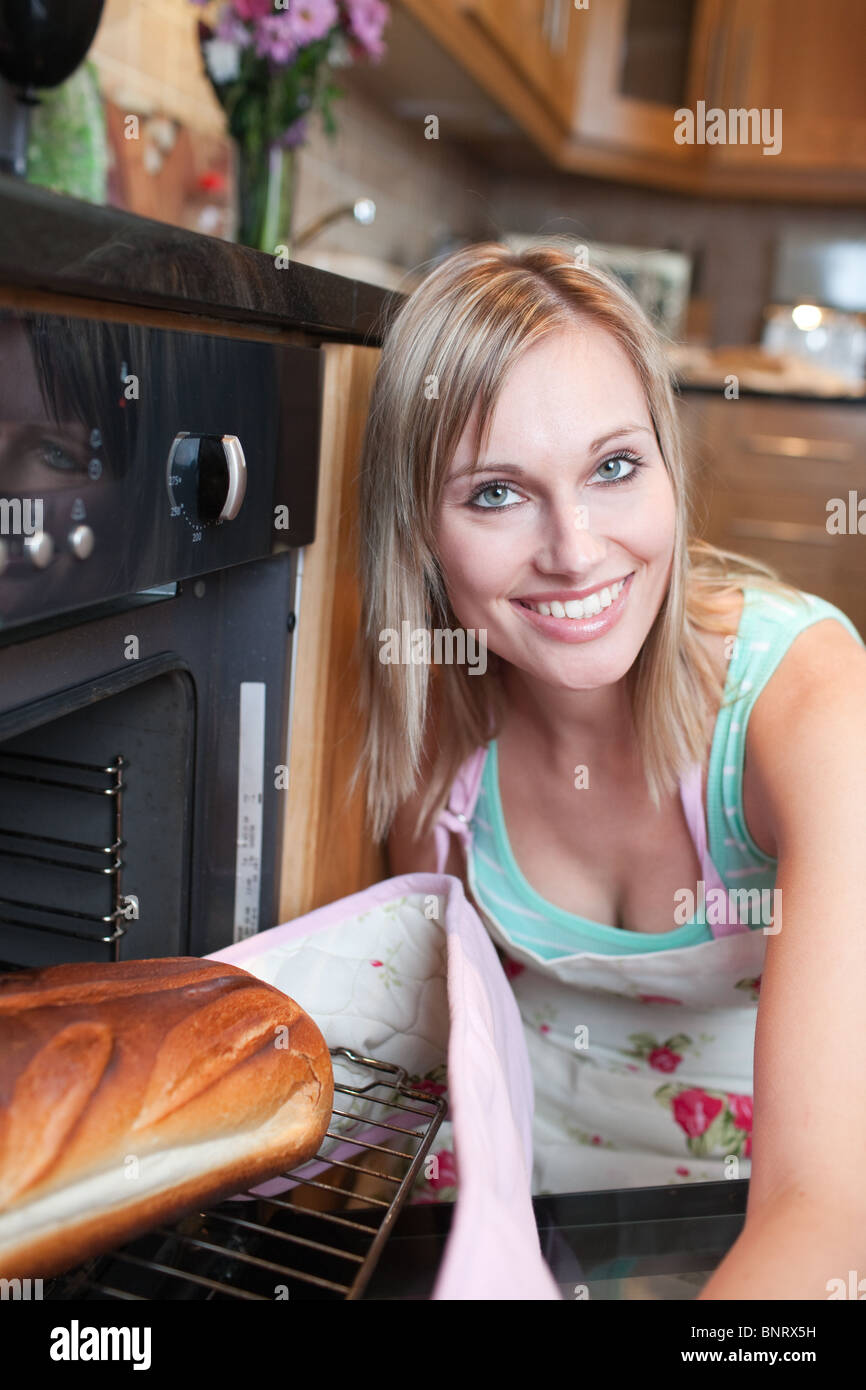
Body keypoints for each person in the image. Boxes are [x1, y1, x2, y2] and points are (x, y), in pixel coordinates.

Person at [353, 240, 866, 1299]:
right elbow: (449, 1063)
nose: (576, 551)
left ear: (670, 471)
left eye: (613, 467)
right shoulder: (431, 744)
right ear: (419, 535)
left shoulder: (808, 702)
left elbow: (822, 1203)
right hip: (524, 1200)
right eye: (496, 493)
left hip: (766, 1204)